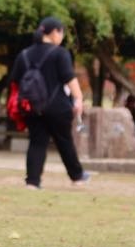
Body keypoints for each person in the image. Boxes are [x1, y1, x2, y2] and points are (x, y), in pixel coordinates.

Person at [10, 17, 89, 189]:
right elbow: (69, 78)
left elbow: (15, 82)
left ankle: (32, 181)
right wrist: (78, 99)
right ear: (55, 32)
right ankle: (77, 177)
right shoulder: (60, 53)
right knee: (64, 141)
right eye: (61, 33)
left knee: (37, 142)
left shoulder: (24, 55)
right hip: (57, 106)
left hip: (31, 106)